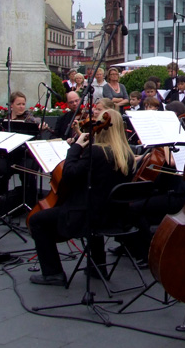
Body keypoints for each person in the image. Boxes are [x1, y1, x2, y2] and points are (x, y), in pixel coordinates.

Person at [28, 109, 134, 285]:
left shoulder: (97, 153)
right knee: (96, 204)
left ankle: (53, 273)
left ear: (102, 127)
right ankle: (98, 267)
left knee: (37, 220)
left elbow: (69, 173)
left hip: (88, 216)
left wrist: (76, 147)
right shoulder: (127, 155)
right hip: (115, 217)